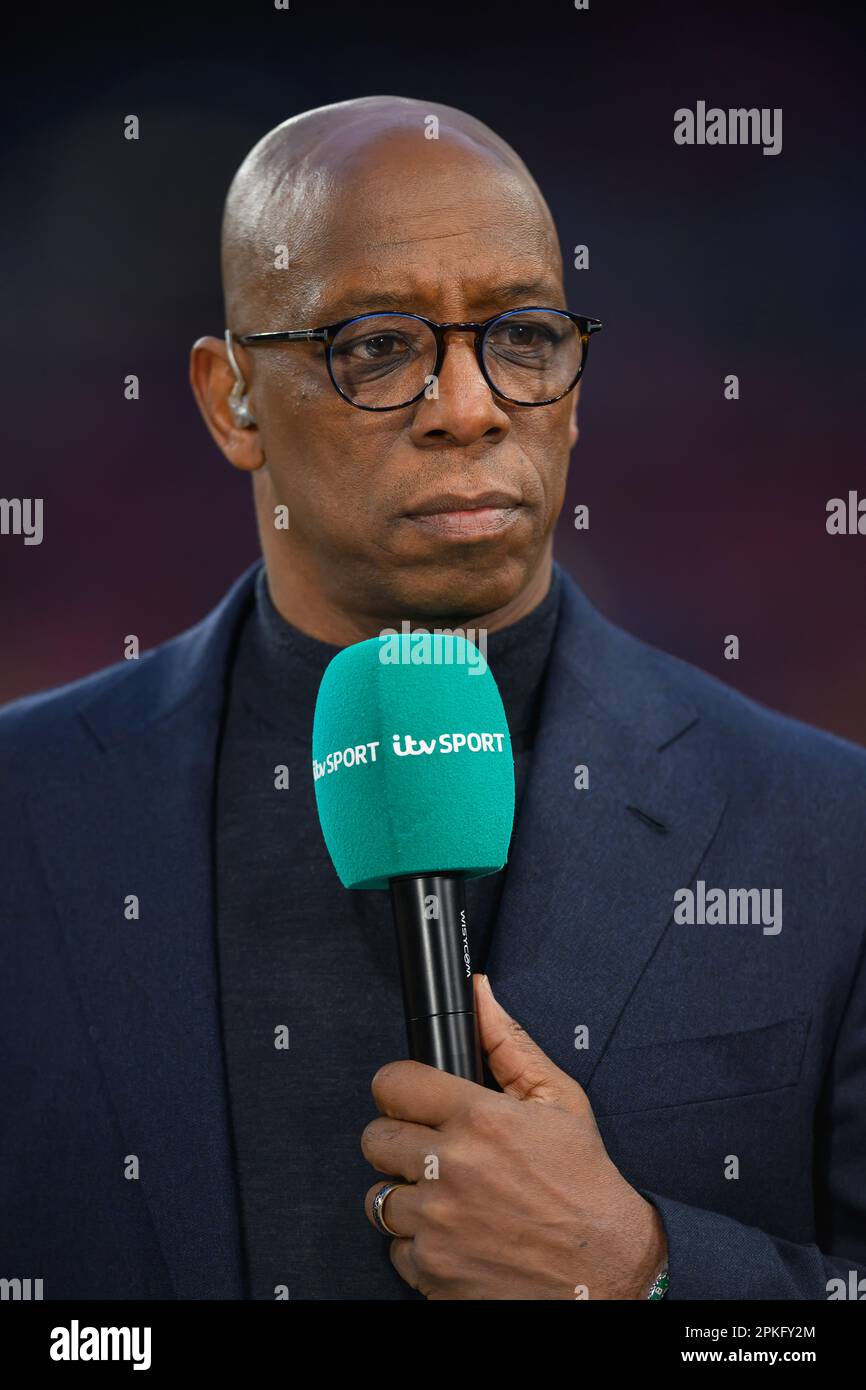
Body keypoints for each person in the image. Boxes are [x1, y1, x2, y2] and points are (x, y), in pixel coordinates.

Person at [2, 95, 864, 1301]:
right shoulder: (22, 813)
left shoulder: (832, 833)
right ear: (228, 397)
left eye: (521, 336)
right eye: (376, 346)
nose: (468, 407)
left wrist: (647, 1278)